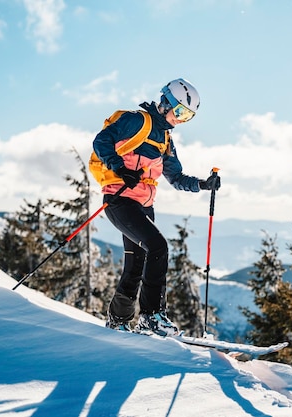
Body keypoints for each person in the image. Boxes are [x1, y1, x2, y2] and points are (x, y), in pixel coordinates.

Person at [91, 78, 220, 336]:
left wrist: (204, 185)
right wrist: (119, 167)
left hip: (143, 206)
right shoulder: (136, 121)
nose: (182, 119)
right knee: (159, 247)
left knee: (136, 263)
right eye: (181, 111)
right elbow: (101, 141)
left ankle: (118, 320)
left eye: (189, 116)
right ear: (167, 103)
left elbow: (176, 178)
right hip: (120, 199)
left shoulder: (165, 140)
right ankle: (151, 316)